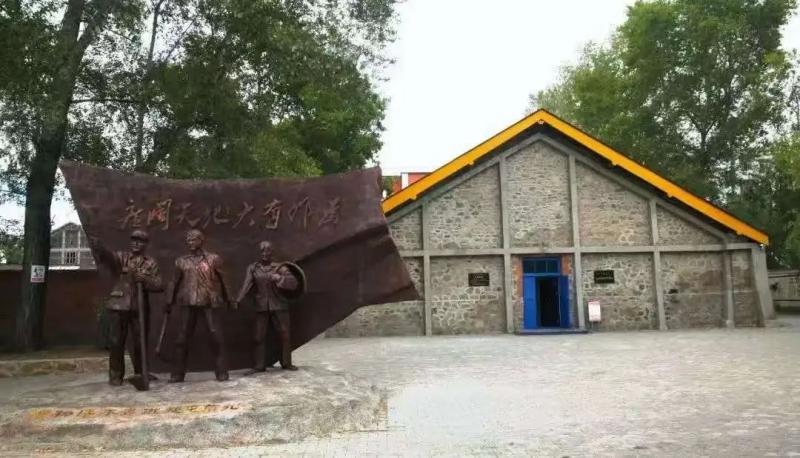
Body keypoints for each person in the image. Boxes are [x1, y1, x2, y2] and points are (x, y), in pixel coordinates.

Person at [90, 230, 163, 386]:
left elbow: (159, 285)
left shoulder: (151, 263)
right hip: (119, 305)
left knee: (140, 342)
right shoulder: (121, 257)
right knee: (116, 341)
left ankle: (141, 372)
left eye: (140, 241)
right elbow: (108, 257)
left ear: (145, 244)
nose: (136, 243)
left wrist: (145, 279)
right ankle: (116, 375)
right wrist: (100, 248)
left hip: (139, 307)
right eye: (134, 240)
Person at [167, 228, 233, 382]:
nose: (190, 242)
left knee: (216, 336)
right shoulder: (181, 261)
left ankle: (222, 372)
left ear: (201, 241)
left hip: (209, 301)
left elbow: (224, 280)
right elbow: (173, 282)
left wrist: (230, 299)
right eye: (188, 240)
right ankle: (177, 374)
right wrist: (169, 300)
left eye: (193, 239)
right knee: (182, 338)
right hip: (188, 301)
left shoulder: (213, 259)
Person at [235, 241, 304, 373]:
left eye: (267, 250)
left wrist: (280, 278)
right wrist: (238, 299)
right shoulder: (253, 268)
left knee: (284, 334)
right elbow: (246, 285)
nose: (265, 253)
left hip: (279, 304)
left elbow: (293, 283)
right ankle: (259, 365)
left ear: (272, 252)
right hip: (261, 305)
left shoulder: (280, 267)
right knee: (259, 336)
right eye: (262, 251)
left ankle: (286, 363)